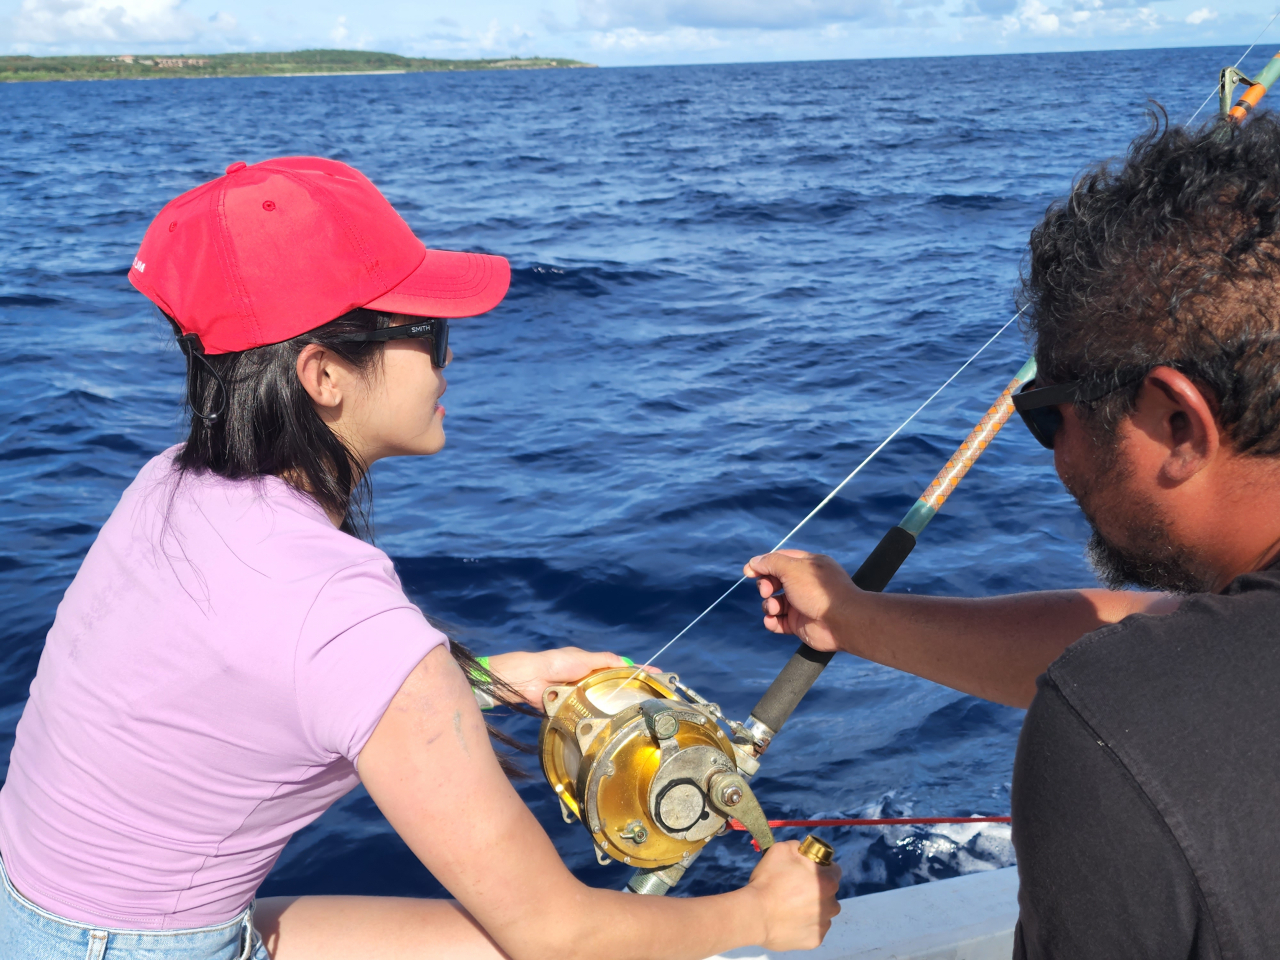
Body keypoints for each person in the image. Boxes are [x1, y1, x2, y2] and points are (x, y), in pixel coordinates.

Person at [0, 156, 840, 960]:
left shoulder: (171, 487)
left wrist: (494, 678)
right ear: (323, 373)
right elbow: (560, 937)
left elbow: (264, 680)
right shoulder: (337, 614)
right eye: (425, 330)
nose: (448, 356)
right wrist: (761, 913)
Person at [743, 114, 1280, 958]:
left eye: (1047, 414)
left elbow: (1156, 693)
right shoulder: (1177, 686)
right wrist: (847, 617)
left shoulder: (1118, 732)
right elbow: (1179, 648)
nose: (1056, 458)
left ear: (1178, 423)